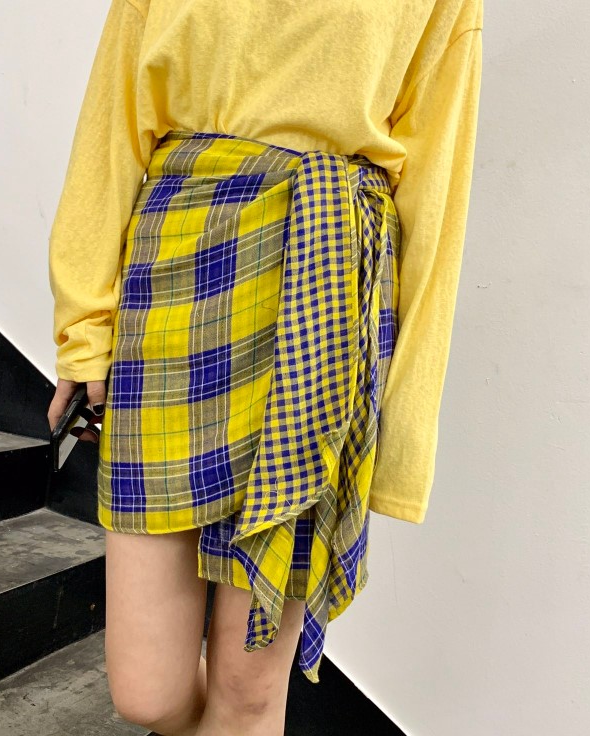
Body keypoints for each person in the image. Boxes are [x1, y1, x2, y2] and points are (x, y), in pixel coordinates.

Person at [46, 1, 483, 734]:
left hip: (326, 288)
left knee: (249, 694)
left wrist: (405, 427)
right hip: (178, 274)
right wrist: (84, 327)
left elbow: (437, 190)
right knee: (147, 694)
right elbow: (112, 121)